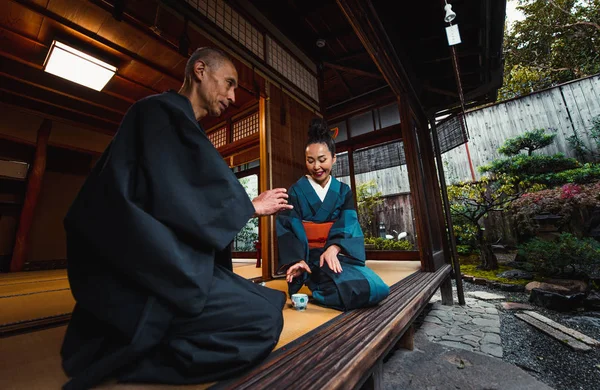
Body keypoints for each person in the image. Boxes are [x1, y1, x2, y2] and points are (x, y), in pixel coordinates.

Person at [60, 47, 293, 390]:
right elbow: (170, 196)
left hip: (172, 260)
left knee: (272, 299)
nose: (232, 95)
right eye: (228, 83)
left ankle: (148, 334)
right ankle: (137, 351)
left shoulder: (179, 122)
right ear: (200, 71)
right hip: (148, 270)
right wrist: (249, 207)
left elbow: (182, 196)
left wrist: (241, 206)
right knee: (261, 322)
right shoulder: (156, 112)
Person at [275, 118, 389, 311]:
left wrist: (335, 247)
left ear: (334, 158)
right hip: (310, 259)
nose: (316, 167)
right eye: (310, 161)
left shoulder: (343, 191)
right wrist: (297, 260)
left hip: (336, 255)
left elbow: (348, 222)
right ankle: (313, 280)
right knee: (345, 292)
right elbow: (288, 228)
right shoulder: (295, 191)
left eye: (322, 160)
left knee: (378, 288)